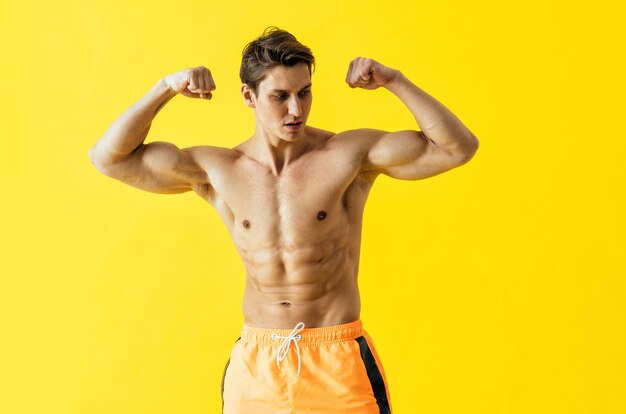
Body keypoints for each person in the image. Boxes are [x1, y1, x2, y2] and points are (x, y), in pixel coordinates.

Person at [89, 27, 479, 414]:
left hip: (337, 359)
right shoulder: (218, 170)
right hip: (258, 365)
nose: (296, 110)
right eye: (280, 97)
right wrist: (166, 87)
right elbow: (109, 158)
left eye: (304, 93)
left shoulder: (347, 156)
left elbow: (456, 148)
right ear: (249, 96)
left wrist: (395, 80)